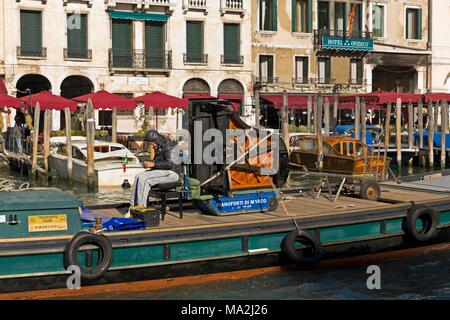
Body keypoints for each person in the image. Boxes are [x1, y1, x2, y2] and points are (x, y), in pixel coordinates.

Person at [129, 130, 181, 207]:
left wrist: (153, 164)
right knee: (137, 176)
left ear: (156, 140)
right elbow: (156, 161)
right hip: (163, 171)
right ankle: (132, 207)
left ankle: (140, 208)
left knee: (144, 179)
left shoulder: (170, 146)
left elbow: (170, 163)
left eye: (151, 143)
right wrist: (148, 163)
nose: (151, 145)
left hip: (172, 173)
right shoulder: (159, 146)